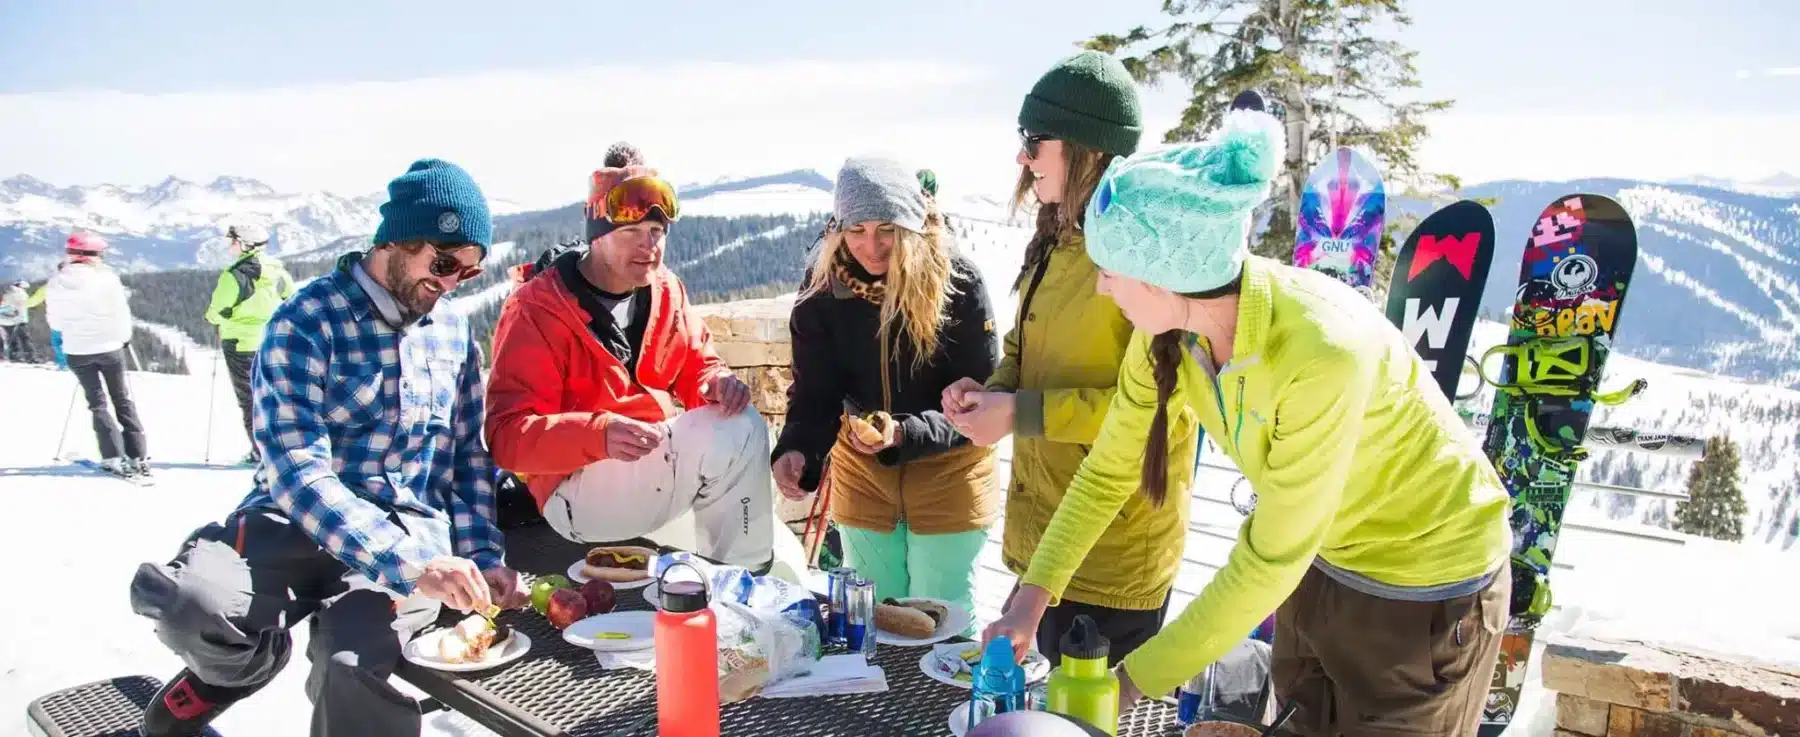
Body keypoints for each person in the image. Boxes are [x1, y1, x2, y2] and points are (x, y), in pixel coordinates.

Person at [981, 109, 1512, 737]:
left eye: (1111, 270)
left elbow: (1266, 561)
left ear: (1165, 276)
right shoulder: (1171, 338)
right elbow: (1107, 475)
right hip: (1322, 566)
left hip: (1426, 588)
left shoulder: (1321, 351)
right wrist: (1029, 601)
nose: (1101, 289)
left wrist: (1126, 684)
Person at [127, 159, 526, 737]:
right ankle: (237, 670)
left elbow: (467, 461)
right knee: (194, 605)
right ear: (395, 241)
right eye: (443, 263)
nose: (450, 284)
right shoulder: (306, 322)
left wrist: (483, 556)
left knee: (353, 670)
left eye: (467, 273)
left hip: (407, 529)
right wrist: (408, 562)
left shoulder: (451, 333)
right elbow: (296, 471)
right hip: (296, 521)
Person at [941, 50, 1192, 667]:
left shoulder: (1144, 259)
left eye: (1034, 141)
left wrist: (1021, 413)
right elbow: (1025, 352)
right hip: (1044, 548)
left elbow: (1158, 412)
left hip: (1113, 559)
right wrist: (991, 394)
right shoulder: (1057, 238)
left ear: (1085, 147)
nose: (1022, 159)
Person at [485, 143, 773, 571]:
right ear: (597, 236)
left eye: (657, 233)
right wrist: (596, 433)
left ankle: (724, 585)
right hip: (576, 493)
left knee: (735, 416)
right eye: (631, 234)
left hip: (646, 473)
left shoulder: (664, 290)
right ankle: (745, 587)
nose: (648, 248)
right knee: (740, 432)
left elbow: (695, 363)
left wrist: (712, 383)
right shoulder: (539, 310)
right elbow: (507, 438)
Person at [771, 156, 1000, 619]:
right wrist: (797, 449)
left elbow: (983, 406)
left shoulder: (956, 283)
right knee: (874, 622)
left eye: (887, 230)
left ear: (911, 226)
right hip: (865, 480)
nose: (871, 247)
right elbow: (815, 392)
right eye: (856, 230)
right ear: (837, 228)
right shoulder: (822, 291)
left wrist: (904, 433)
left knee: (942, 624)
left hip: (949, 476)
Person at [46, 232, 149, 477]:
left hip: (77, 350)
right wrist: (123, 339)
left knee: (97, 403)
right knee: (122, 399)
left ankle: (112, 456)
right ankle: (137, 456)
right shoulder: (107, 280)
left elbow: (56, 323)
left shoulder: (56, 283)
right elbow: (121, 315)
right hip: (110, 347)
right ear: (93, 256)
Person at [205, 221, 296, 464]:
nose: (230, 246)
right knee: (277, 397)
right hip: (273, 343)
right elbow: (291, 298)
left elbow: (216, 310)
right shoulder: (278, 271)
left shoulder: (234, 276)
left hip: (240, 344)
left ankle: (260, 452)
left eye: (233, 241)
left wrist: (216, 318)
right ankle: (285, 447)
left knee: (250, 401)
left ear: (244, 244)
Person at [0, 279, 37, 363]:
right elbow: (22, 306)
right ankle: (30, 357)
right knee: (25, 339)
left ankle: (14, 357)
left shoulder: (8, 293)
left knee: (12, 339)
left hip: (6, 319)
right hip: (18, 320)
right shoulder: (20, 293)